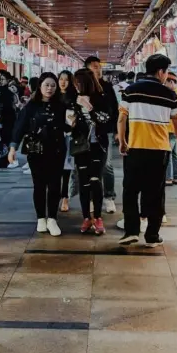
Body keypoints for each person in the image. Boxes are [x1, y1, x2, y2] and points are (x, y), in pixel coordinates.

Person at [117, 54, 177, 248]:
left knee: (130, 190)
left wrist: (122, 141)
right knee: (155, 193)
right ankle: (152, 235)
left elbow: (121, 119)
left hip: (135, 148)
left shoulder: (130, 91)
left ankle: (131, 231)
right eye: (166, 72)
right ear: (160, 72)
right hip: (159, 151)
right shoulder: (171, 95)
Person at [8, 73, 68, 236]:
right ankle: (41, 217)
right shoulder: (31, 106)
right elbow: (19, 127)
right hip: (36, 151)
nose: (50, 88)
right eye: (46, 85)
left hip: (57, 150)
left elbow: (68, 127)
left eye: (53, 85)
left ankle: (53, 219)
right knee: (39, 185)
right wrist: (13, 148)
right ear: (40, 86)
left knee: (55, 185)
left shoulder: (62, 106)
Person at [71, 69, 111, 235]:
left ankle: (99, 217)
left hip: (98, 145)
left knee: (96, 180)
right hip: (81, 147)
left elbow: (106, 119)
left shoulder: (100, 99)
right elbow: (68, 125)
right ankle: (87, 217)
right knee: (83, 182)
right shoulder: (73, 101)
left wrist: (88, 107)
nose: (75, 85)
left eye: (77, 82)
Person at [84, 56, 117, 214]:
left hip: (105, 132)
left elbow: (115, 109)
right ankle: (92, 198)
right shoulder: (83, 87)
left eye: (99, 66)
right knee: (89, 166)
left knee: (107, 165)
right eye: (94, 67)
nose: (98, 69)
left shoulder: (107, 87)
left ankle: (109, 197)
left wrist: (117, 131)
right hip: (87, 133)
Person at [58, 70, 77, 212]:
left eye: (66, 79)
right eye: (61, 79)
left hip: (69, 135)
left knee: (66, 167)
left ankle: (65, 197)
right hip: (55, 135)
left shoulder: (75, 97)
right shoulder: (52, 96)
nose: (63, 82)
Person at [165, 71, 177, 186]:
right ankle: (176, 176)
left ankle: (169, 177)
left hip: (171, 128)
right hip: (176, 128)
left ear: (171, 82)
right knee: (175, 154)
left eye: (166, 82)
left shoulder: (173, 95)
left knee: (168, 154)